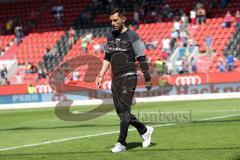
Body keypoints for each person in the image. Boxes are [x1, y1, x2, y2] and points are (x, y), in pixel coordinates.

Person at [96, 8, 154, 153]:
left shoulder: (133, 36)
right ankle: (144, 129)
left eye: (115, 20)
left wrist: (147, 78)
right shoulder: (110, 36)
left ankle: (121, 143)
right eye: (111, 21)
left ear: (123, 19)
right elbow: (107, 57)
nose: (113, 23)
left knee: (124, 110)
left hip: (129, 77)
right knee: (121, 111)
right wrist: (101, 75)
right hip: (115, 79)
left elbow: (141, 57)